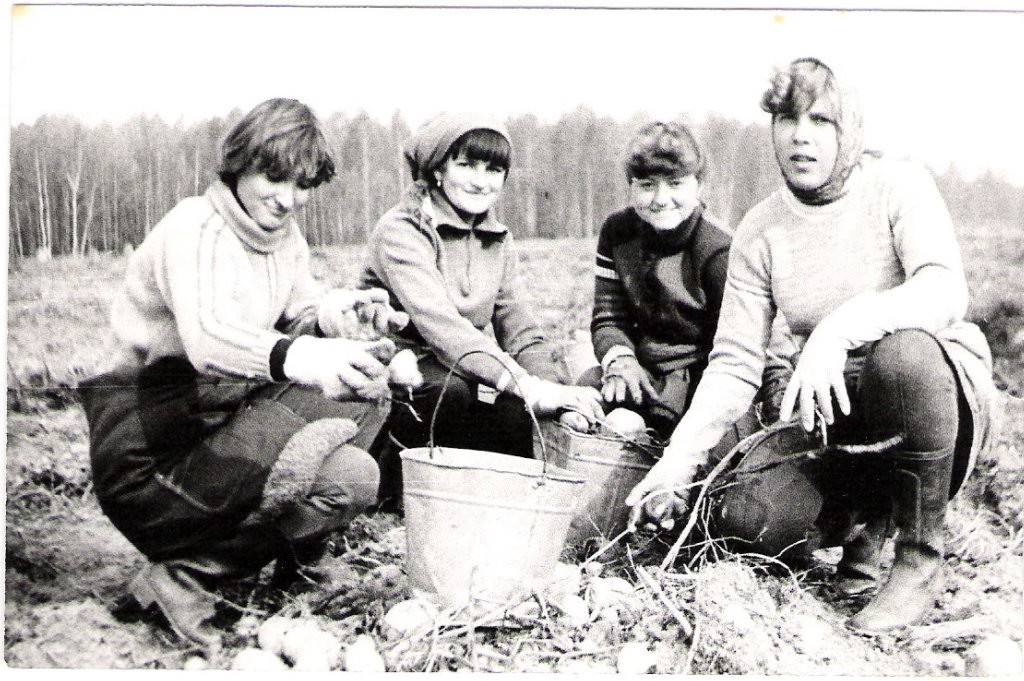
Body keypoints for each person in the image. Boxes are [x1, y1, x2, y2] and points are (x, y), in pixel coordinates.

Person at [625, 58, 997, 633]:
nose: (801, 136)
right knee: (745, 516)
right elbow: (734, 363)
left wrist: (839, 329)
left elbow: (945, 289)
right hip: (834, 411)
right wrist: (676, 463)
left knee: (900, 358)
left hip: (935, 398)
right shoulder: (761, 228)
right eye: (787, 118)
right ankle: (863, 520)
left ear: (851, 128)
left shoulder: (898, 185)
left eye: (821, 120)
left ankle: (918, 557)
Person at [79, 98, 408, 650]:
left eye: (301, 185)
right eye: (274, 178)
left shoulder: (284, 239)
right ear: (239, 165)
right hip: (149, 452)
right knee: (351, 391)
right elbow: (211, 338)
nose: (287, 198)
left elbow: (298, 313)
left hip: (220, 426)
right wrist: (310, 358)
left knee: (354, 464)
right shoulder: (195, 227)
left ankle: (252, 569)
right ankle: (183, 577)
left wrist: (337, 315)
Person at [360, 112, 603, 501]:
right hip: (398, 369)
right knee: (451, 391)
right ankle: (390, 489)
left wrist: (557, 393)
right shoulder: (401, 231)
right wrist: (528, 386)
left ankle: (494, 497)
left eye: (493, 169)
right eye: (466, 165)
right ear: (437, 170)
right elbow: (442, 328)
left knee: (515, 409)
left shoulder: (497, 239)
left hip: (460, 365)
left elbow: (518, 325)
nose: (480, 180)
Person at [581, 120, 792, 445]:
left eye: (675, 184)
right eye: (647, 185)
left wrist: (777, 395)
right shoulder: (617, 234)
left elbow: (751, 342)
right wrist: (620, 359)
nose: (661, 198)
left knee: (718, 439)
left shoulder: (718, 250)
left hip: (703, 379)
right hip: (642, 373)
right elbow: (608, 317)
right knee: (584, 396)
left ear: (699, 185)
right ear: (631, 186)